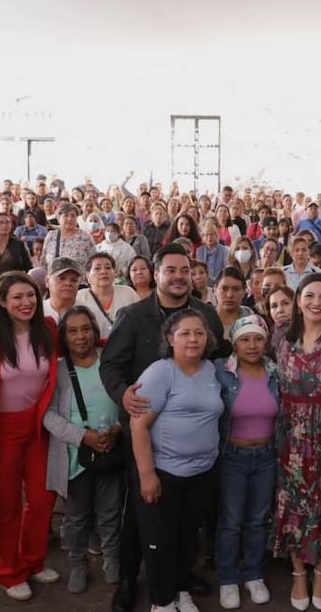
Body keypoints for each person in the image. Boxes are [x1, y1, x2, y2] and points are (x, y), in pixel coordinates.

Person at [100, 243, 228, 612]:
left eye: (184, 270)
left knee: (186, 518)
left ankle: (179, 579)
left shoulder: (204, 313)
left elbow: (216, 358)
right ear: (155, 274)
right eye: (170, 270)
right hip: (143, 431)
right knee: (141, 512)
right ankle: (128, 580)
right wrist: (123, 394)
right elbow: (110, 365)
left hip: (192, 442)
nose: (177, 276)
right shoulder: (134, 315)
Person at [131, 309, 225, 612]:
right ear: (170, 339)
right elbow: (139, 425)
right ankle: (162, 600)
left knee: (188, 536)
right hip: (165, 473)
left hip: (202, 473)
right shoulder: (160, 373)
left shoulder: (211, 370)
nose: (193, 338)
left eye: (199, 332)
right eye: (184, 333)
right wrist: (147, 475)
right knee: (161, 540)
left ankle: (181, 586)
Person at [0, 271, 61, 601]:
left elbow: (84, 342)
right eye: (17, 297)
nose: (26, 303)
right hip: (0, 430)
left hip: (39, 427)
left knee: (42, 499)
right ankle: (10, 570)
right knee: (7, 504)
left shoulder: (49, 329)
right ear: (2, 302)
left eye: (31, 295)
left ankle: (33, 560)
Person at [271, 275, 321, 611]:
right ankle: (298, 572)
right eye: (309, 295)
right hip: (289, 432)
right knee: (291, 502)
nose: (316, 302)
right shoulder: (281, 339)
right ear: (298, 299)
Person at [43, 306, 124, 595]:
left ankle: (112, 557)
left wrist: (119, 428)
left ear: (95, 331)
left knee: (111, 512)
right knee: (76, 517)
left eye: (86, 329)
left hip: (110, 451)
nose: (81, 337)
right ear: (64, 336)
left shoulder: (110, 363)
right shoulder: (60, 371)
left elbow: (127, 400)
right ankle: (78, 563)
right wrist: (82, 436)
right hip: (75, 456)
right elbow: (48, 415)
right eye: (73, 331)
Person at [211, 315, 281, 610]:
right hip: (233, 458)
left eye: (258, 339)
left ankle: (253, 574)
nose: (252, 345)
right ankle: (228, 579)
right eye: (245, 339)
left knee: (257, 520)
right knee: (230, 522)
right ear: (234, 344)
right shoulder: (220, 373)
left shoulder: (276, 373)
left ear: (266, 342)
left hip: (266, 457)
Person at [75, 253, 140, 339]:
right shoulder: (79, 297)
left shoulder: (128, 293)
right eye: (97, 268)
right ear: (88, 276)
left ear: (114, 273)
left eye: (108, 268)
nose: (103, 271)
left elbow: (141, 321)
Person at [41, 203, 96, 272]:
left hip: (79, 281)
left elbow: (94, 261)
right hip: (54, 280)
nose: (69, 219)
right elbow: (43, 262)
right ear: (58, 218)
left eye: (73, 216)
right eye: (65, 216)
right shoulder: (51, 235)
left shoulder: (85, 237)